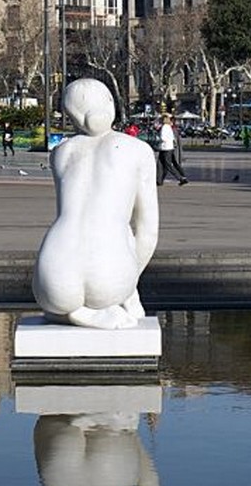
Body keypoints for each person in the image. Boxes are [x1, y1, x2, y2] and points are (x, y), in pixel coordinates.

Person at [32, 78, 159, 329]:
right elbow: (148, 231)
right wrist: (129, 282)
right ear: (110, 103)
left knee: (72, 227)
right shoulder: (138, 150)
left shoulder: (61, 153)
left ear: (71, 116)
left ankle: (69, 311)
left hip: (52, 273)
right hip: (108, 276)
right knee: (124, 231)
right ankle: (107, 304)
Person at [157, 114, 188, 186]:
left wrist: (158, 139)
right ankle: (159, 180)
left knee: (168, 165)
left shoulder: (164, 127)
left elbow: (163, 138)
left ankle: (180, 178)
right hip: (168, 147)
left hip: (165, 148)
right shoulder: (169, 127)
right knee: (160, 164)